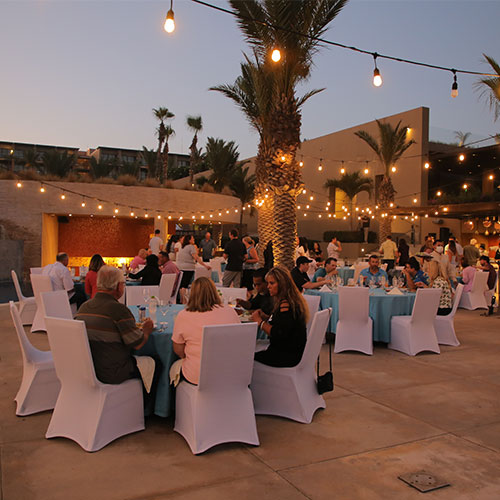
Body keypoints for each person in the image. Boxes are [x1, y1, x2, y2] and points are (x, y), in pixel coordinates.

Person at [76, 265, 154, 384]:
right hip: (112, 372)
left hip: (87, 370)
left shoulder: (83, 307)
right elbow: (137, 344)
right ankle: (149, 402)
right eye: (123, 284)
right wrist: (147, 331)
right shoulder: (118, 310)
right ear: (118, 286)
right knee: (156, 365)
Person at [172, 277, 240, 385]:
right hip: (231, 373)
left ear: (192, 294)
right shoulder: (230, 311)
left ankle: (170, 401)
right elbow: (238, 342)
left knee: (172, 371)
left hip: (197, 377)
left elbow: (179, 350)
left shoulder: (184, 316)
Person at [251, 266, 308, 368]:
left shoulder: (285, 305)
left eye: (272, 283)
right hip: (293, 352)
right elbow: (284, 324)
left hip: (286, 356)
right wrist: (267, 317)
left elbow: (278, 333)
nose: (268, 286)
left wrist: (260, 322)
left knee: (245, 357)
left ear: (282, 284)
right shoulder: (291, 301)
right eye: (268, 283)